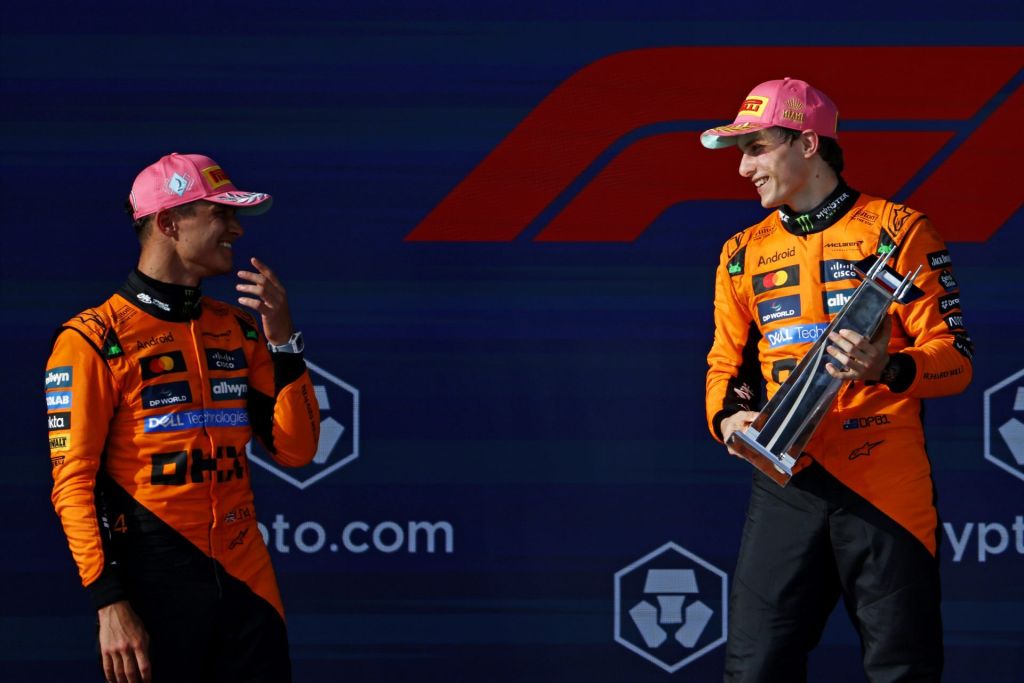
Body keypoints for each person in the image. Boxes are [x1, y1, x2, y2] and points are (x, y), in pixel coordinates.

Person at [701, 79, 972, 681]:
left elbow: (955, 359)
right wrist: (728, 419)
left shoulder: (898, 230)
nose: (744, 168)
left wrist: (889, 367)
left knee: (902, 669)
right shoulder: (740, 253)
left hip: (884, 481)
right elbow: (727, 366)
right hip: (785, 481)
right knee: (754, 671)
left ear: (805, 143)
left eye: (755, 148)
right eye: (739, 152)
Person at [44, 153, 321, 683]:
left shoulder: (241, 329)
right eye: (220, 215)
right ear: (169, 223)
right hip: (154, 586)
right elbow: (73, 485)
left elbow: (297, 450)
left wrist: (284, 339)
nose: (236, 229)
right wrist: (109, 603)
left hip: (249, 584)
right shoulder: (91, 339)